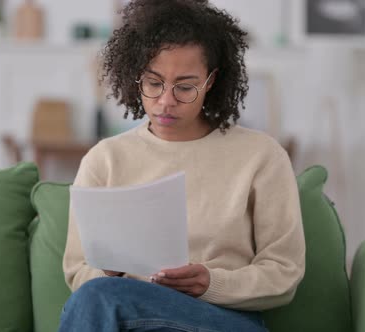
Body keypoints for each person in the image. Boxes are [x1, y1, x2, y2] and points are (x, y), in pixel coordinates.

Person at [59, 0, 305, 331]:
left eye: (185, 87)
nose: (166, 101)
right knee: (97, 297)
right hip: (125, 312)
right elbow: (78, 272)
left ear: (211, 81)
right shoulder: (105, 159)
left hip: (221, 319)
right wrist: (108, 271)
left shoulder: (260, 155)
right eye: (154, 83)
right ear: (136, 77)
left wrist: (210, 282)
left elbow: (284, 272)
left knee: (98, 300)